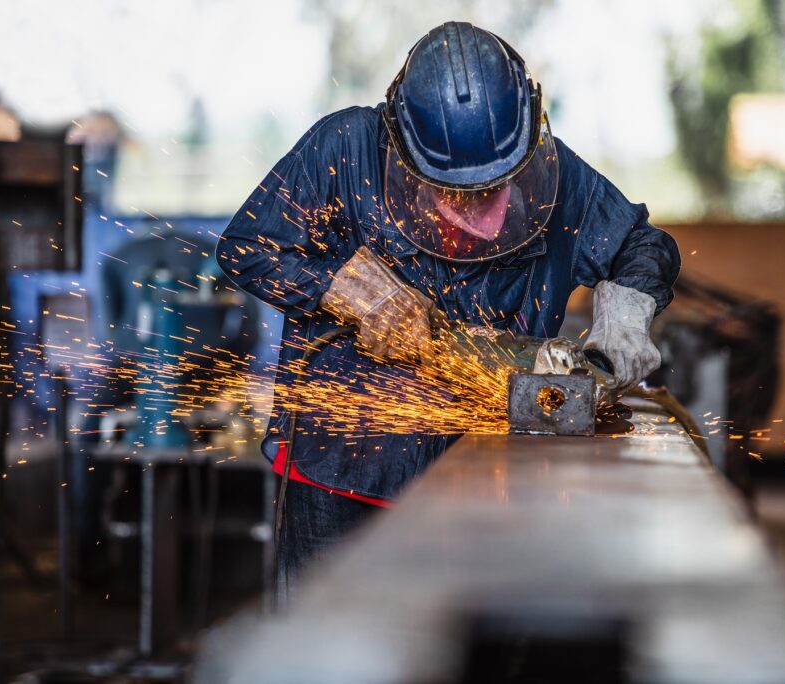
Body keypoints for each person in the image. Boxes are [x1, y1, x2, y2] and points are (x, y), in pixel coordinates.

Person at [216, 21, 680, 594]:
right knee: (330, 647)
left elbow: (643, 243)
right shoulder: (345, 148)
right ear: (401, 144)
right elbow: (247, 247)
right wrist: (347, 292)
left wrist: (628, 310)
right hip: (345, 469)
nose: (474, 203)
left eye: (493, 185)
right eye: (451, 189)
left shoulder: (560, 179)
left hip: (492, 470)